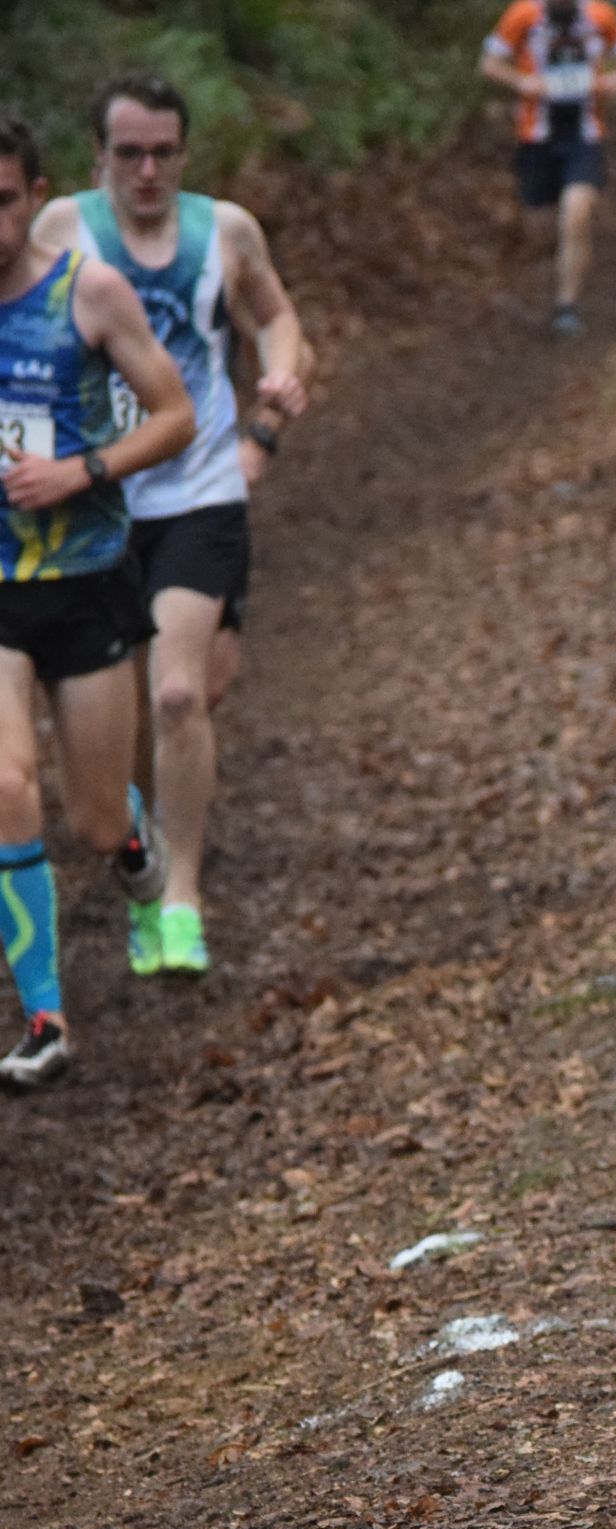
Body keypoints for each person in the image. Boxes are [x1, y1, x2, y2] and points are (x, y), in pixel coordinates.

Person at [35, 73, 313, 982]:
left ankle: (181, 897)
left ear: (185, 155)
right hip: (95, 506)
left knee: (182, 696)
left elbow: (275, 316)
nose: (147, 171)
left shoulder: (225, 231)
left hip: (199, 493)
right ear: (98, 159)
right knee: (122, 725)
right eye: (130, 154)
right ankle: (143, 861)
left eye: (163, 153)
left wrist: (275, 392)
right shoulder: (60, 231)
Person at [0, 111, 190, 1091]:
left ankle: (132, 833)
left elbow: (175, 416)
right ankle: (44, 1017)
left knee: (89, 818)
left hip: (83, 582)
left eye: (1, 201)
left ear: (36, 198)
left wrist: (82, 471)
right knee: (5, 786)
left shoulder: (90, 292)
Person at [482, 0, 616, 336]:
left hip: (585, 136)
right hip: (536, 137)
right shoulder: (523, 15)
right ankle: (538, 280)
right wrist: (523, 82)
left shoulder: (600, 15)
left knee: (577, 214)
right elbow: (490, 64)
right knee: (539, 227)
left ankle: (567, 305)